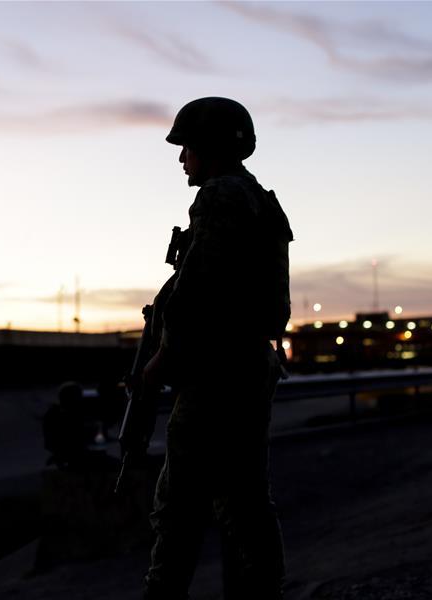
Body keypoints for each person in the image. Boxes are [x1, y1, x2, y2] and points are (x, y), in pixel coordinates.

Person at [141, 97, 293, 600]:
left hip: (217, 369)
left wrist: (164, 355)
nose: (182, 158)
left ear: (208, 148)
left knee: (179, 502)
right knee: (245, 497)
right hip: (247, 362)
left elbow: (199, 286)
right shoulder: (254, 196)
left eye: (186, 147)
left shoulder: (221, 195)